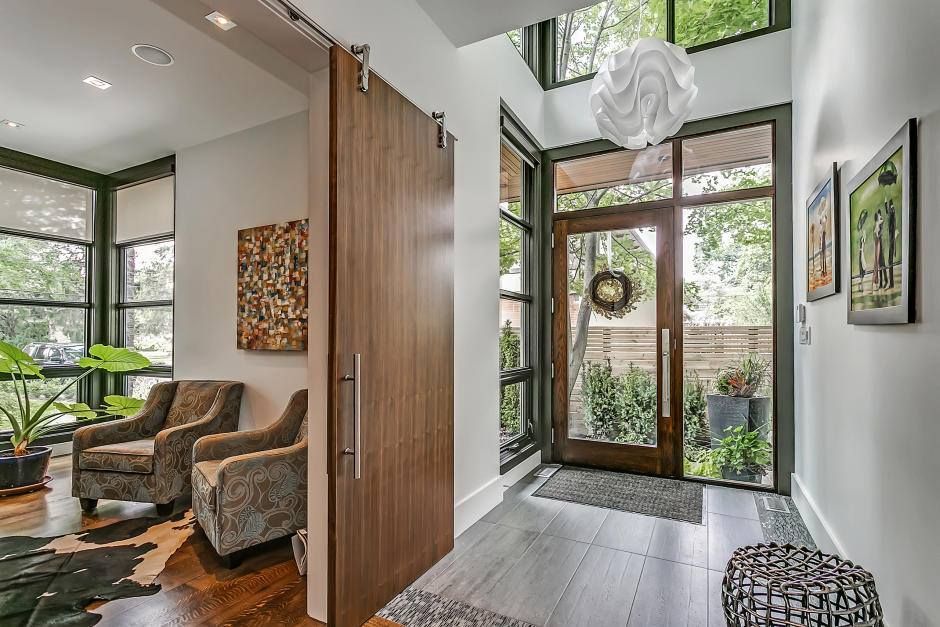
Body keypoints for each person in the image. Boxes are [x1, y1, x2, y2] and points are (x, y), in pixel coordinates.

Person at [873, 209, 887, 290]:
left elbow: (880, 232)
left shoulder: (880, 223)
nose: (879, 216)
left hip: (881, 244)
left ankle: (885, 280)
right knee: (880, 264)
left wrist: (880, 218)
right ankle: (881, 282)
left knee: (883, 263)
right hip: (878, 244)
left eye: (879, 215)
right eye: (878, 215)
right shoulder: (877, 223)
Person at [886, 199, 897, 288]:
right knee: (889, 261)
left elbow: (893, 225)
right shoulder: (891, 213)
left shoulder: (892, 213)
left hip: (892, 239)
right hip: (891, 239)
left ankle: (891, 283)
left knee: (890, 261)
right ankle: (891, 283)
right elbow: (888, 213)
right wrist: (886, 202)